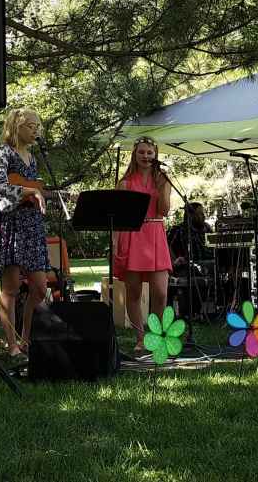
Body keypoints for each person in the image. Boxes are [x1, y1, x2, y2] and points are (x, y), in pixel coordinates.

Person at [0, 108, 50, 360]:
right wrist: (28, 191)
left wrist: (40, 196)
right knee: (11, 288)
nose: (36, 130)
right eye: (31, 126)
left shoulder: (32, 157)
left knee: (40, 288)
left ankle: (26, 338)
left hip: (31, 225)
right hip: (11, 225)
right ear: (16, 127)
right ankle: (12, 344)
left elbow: (32, 189)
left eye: (37, 126)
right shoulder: (3, 152)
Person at [113, 136, 172, 352]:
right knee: (134, 292)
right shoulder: (125, 183)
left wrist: (164, 186)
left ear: (155, 155)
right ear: (135, 155)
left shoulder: (163, 180)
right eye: (141, 152)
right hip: (133, 235)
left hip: (155, 233)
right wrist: (116, 246)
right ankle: (140, 337)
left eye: (149, 152)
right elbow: (118, 219)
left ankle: (156, 335)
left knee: (161, 291)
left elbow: (164, 211)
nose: (146, 156)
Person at [167, 202, 213, 271]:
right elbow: (167, 247)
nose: (203, 216)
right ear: (191, 215)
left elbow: (213, 248)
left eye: (203, 213)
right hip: (187, 267)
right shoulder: (178, 229)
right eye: (200, 213)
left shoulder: (207, 227)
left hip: (208, 265)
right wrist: (174, 261)